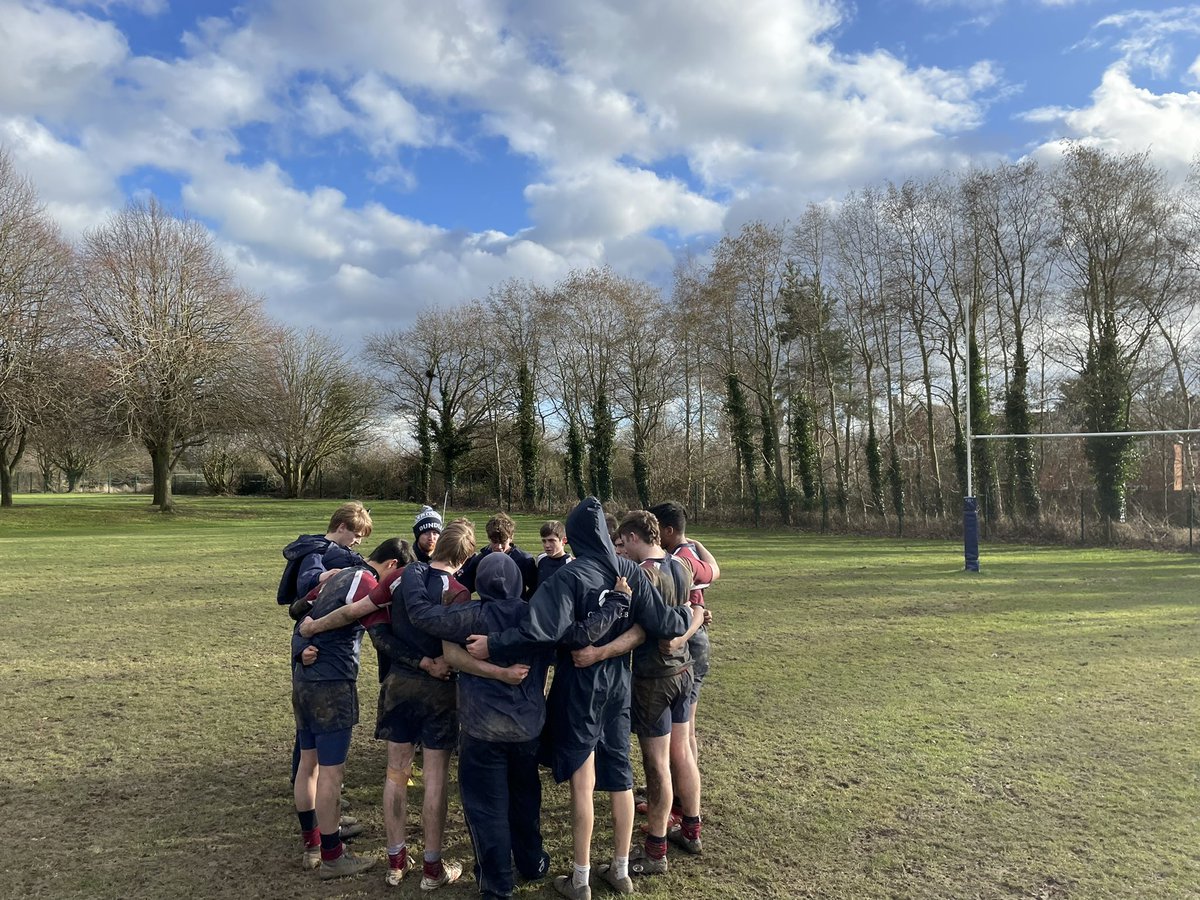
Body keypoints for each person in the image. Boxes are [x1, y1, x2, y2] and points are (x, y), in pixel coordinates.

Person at [465, 497, 693, 900]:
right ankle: (620, 870)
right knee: (620, 775)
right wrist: (688, 614)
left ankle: (581, 877)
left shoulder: (568, 578)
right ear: (607, 535)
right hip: (619, 684)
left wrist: (494, 645)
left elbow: (540, 631)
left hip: (580, 685)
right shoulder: (630, 571)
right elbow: (663, 622)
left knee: (583, 782)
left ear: (572, 537)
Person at [405, 546, 631, 900]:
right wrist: (617, 601)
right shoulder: (537, 616)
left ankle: (496, 884)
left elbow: (421, 614)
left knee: (486, 808)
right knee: (525, 799)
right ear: (517, 582)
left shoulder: (469, 616)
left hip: (482, 732)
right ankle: (530, 862)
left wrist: (415, 572)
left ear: (479, 583)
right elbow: (577, 636)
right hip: (527, 730)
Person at [301, 520, 493, 889]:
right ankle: (432, 869)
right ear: (466, 558)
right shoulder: (459, 592)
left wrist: (314, 626)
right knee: (434, 777)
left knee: (396, 772)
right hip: (439, 691)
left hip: (399, 686)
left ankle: (396, 861)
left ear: (436, 548)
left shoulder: (401, 576)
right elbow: (458, 651)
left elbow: (358, 615)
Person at [291, 537, 408, 879]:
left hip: (304, 682)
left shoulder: (340, 575)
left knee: (308, 764)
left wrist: (302, 647)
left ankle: (312, 845)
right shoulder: (366, 582)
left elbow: (298, 611)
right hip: (332, 685)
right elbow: (380, 636)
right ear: (392, 567)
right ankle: (332, 855)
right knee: (331, 772)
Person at [610, 511, 705, 870]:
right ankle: (692, 831)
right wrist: (682, 637)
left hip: (654, 680)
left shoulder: (643, 576)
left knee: (657, 764)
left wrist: (600, 651)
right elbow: (696, 608)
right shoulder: (681, 565)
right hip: (684, 672)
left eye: (623, 543)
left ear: (634, 538)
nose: (622, 552)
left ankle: (655, 850)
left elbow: (638, 633)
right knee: (683, 752)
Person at [648, 501, 718, 842]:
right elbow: (714, 572)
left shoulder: (680, 560)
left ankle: (684, 816)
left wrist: (680, 639)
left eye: (655, 527)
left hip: (688, 645)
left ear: (668, 531)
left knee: (682, 741)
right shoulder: (691, 554)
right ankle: (681, 808)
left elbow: (696, 603)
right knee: (685, 738)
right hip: (693, 642)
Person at [278, 502, 373, 609]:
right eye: (357, 536)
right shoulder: (315, 551)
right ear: (342, 527)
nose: (358, 542)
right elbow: (306, 580)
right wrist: (326, 576)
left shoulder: (342, 553)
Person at [457, 512, 537, 599]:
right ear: (489, 538)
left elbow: (536, 587)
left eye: (503, 542)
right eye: (494, 542)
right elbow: (465, 587)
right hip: (488, 609)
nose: (499, 547)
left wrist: (524, 603)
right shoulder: (481, 560)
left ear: (511, 537)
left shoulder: (524, 560)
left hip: (515, 609)